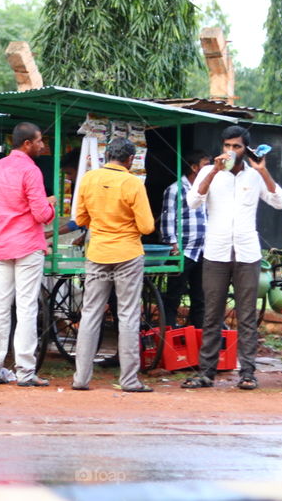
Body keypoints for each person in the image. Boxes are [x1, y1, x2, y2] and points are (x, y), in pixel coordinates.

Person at [182, 126, 282, 391]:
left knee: (247, 315)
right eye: (227, 146)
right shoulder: (209, 171)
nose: (230, 151)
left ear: (246, 149)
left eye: (236, 147)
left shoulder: (254, 177)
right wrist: (215, 171)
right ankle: (206, 373)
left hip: (247, 253)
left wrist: (263, 169)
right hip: (215, 252)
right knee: (211, 313)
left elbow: (279, 202)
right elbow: (193, 201)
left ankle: (248, 373)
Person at [72, 137, 155, 393]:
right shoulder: (133, 183)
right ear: (130, 159)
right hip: (128, 254)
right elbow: (147, 227)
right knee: (128, 315)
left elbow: (80, 217)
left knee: (90, 313)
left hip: (97, 252)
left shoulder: (88, 179)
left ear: (107, 155)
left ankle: (81, 379)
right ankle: (129, 380)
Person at [0, 122, 55, 387]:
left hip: (3, 244)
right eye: (39, 141)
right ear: (27, 143)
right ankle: (25, 370)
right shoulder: (30, 170)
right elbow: (40, 214)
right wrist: (50, 207)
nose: (41, 145)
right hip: (28, 244)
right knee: (26, 307)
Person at [159, 149, 211, 329]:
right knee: (174, 295)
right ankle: (169, 333)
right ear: (194, 168)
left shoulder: (206, 189)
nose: (210, 169)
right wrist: (173, 245)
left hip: (203, 250)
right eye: (205, 166)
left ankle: (198, 336)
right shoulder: (175, 189)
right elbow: (167, 219)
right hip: (183, 250)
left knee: (200, 297)